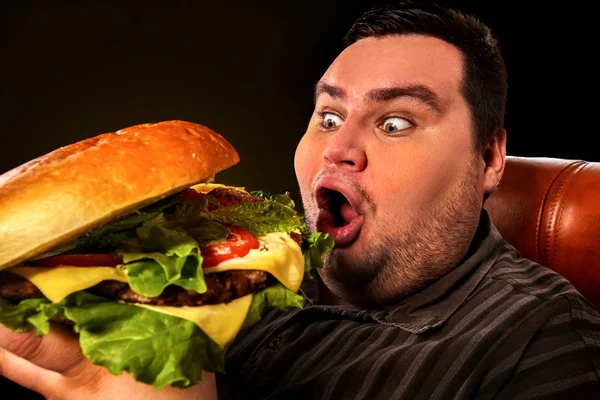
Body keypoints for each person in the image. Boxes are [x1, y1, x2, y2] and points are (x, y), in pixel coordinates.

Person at [1, 2, 599, 399]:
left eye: (395, 123)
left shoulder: (546, 344)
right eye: (329, 115)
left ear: (490, 158)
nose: (338, 149)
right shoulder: (242, 277)